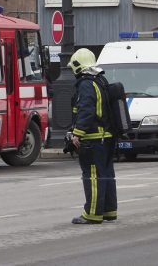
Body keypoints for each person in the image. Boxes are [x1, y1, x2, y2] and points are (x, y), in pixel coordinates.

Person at [68, 48, 118, 225]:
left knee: (93, 176)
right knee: (106, 175)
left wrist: (77, 133)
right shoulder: (100, 80)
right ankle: (109, 211)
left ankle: (93, 214)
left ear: (77, 66)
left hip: (94, 139)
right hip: (107, 137)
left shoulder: (86, 84)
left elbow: (86, 110)